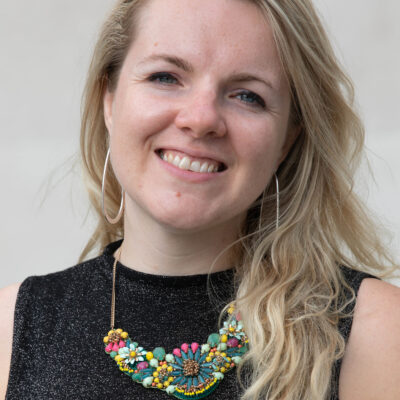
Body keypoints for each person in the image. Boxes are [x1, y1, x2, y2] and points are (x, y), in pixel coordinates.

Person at [1, 0, 400, 399]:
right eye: (165, 77)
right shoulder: (10, 328)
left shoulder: (375, 329)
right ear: (110, 99)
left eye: (248, 96)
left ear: (287, 139)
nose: (202, 117)